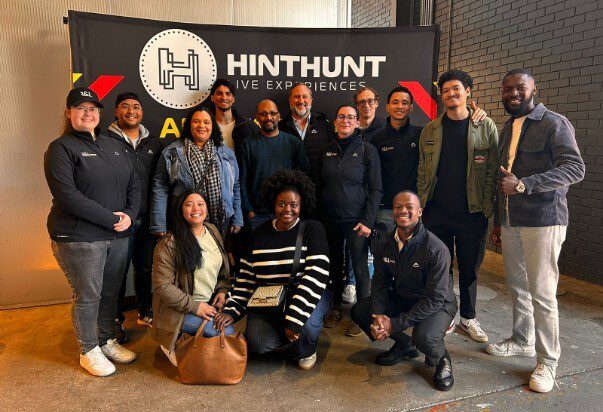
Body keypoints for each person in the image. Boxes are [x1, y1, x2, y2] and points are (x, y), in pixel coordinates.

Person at [487, 69, 585, 393]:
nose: (513, 94)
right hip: (512, 220)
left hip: (544, 220)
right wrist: (499, 221)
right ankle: (522, 340)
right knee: (518, 287)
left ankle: (548, 362)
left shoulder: (554, 123)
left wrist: (525, 185)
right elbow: (502, 178)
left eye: (520, 88)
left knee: (542, 294)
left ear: (534, 89)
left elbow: (575, 168)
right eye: (507, 89)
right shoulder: (508, 127)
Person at [44, 87, 140, 377]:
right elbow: (68, 196)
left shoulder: (113, 145)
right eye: (81, 108)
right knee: (89, 294)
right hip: (79, 238)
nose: (88, 113)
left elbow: (134, 182)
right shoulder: (61, 148)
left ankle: (106, 339)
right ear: (68, 113)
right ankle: (88, 350)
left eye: (93, 109)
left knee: (110, 292)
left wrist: (130, 215)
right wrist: (112, 219)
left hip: (117, 234)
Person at [215, 170, 331, 370]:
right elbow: (246, 278)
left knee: (307, 329)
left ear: (301, 205)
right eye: (282, 204)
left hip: (308, 293)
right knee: (258, 343)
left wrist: (294, 320)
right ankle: (291, 337)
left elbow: (315, 276)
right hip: (270, 298)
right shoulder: (259, 234)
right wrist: (231, 310)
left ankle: (305, 344)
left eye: (293, 204)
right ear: (273, 204)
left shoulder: (313, 229)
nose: (287, 209)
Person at [417, 69, 498, 343]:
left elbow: (492, 172)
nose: (451, 93)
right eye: (446, 90)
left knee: (469, 267)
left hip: (472, 213)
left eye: (456, 89)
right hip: (436, 211)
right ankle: (446, 313)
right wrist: (422, 205)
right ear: (441, 96)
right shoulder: (431, 130)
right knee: (441, 267)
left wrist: (487, 210)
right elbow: (423, 171)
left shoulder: (485, 126)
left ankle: (469, 317)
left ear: (468, 92)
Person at [350, 191, 457, 391]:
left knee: (424, 337)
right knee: (360, 311)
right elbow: (380, 282)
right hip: (404, 296)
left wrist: (394, 324)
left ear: (420, 212)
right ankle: (404, 345)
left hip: (437, 304)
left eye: (409, 207)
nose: (403, 211)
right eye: (398, 207)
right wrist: (378, 316)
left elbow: (435, 298)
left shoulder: (436, 249)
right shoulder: (385, 243)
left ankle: (441, 357)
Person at [107, 91, 170, 339]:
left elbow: (161, 182)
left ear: (142, 112)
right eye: (125, 106)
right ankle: (114, 319)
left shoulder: (154, 143)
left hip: (146, 218)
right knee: (117, 272)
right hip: (118, 220)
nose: (131, 111)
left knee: (145, 268)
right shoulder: (104, 140)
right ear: (116, 111)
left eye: (136, 106)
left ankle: (145, 311)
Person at [316, 104, 382, 336]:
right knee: (334, 265)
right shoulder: (325, 151)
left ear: (357, 123)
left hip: (357, 221)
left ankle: (362, 316)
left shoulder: (367, 150)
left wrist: (368, 221)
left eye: (350, 117)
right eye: (341, 117)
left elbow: (376, 190)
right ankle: (335, 307)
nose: (345, 120)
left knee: (360, 268)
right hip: (329, 220)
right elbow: (318, 185)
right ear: (335, 121)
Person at [152, 190, 235, 367]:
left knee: (228, 334)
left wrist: (222, 290)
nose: (196, 209)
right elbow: (162, 287)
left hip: (208, 304)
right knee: (226, 333)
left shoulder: (212, 231)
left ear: (207, 208)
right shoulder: (168, 244)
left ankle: (190, 337)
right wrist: (195, 307)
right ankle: (171, 341)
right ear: (180, 210)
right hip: (179, 310)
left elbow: (221, 270)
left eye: (200, 204)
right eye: (189, 204)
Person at [150, 106, 243, 239]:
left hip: (221, 222)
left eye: (206, 122)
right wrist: (159, 223)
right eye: (196, 121)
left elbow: (235, 186)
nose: (201, 126)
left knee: (215, 252)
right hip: (183, 221)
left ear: (213, 126)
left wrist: (237, 217)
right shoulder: (171, 153)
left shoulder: (226, 153)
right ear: (189, 125)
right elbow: (160, 188)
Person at [239, 99, 310, 230]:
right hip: (257, 215)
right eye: (263, 114)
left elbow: (305, 178)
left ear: (279, 116)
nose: (269, 118)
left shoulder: (294, 143)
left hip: (287, 213)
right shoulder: (247, 144)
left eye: (272, 113)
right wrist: (248, 210)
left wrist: (297, 207)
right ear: (257, 117)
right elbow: (242, 180)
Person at [370, 86, 423, 234]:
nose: (400, 106)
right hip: (386, 209)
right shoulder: (377, 139)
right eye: (395, 102)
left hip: (412, 207)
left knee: (413, 249)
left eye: (404, 103)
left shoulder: (421, 134)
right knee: (384, 248)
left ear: (411, 107)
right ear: (388, 107)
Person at [278, 82, 334, 173]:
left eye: (305, 96)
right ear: (290, 100)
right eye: (297, 97)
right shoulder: (280, 128)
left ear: (311, 99)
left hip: (318, 181)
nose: (301, 101)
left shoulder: (324, 125)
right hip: (290, 180)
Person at [209, 78, 257, 156]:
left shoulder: (248, 126)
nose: (224, 98)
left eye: (228, 94)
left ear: (233, 99)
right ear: (212, 98)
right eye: (219, 94)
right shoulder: (206, 127)